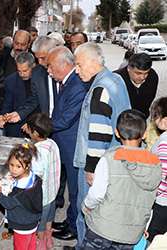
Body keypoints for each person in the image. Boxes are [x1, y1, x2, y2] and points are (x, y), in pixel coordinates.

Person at [73, 42, 131, 247]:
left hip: (99, 164)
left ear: (92, 61)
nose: (76, 70)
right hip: (117, 160)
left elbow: (100, 133)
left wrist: (91, 169)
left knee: (86, 212)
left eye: (79, 65)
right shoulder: (116, 79)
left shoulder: (100, 90)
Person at [81, 109, 162, 249]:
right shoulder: (155, 162)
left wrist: (87, 206)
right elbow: (151, 200)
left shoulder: (109, 159)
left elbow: (97, 193)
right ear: (144, 134)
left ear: (117, 132)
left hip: (103, 229)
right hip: (131, 234)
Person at [47, 46, 88, 241]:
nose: (48, 71)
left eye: (50, 66)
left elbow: (65, 120)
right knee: (71, 187)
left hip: (72, 148)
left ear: (63, 65)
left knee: (75, 190)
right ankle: (69, 220)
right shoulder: (68, 81)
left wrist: (40, 126)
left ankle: (74, 227)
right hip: (64, 145)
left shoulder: (77, 84)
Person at [0, 143, 43, 250]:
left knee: (20, 247)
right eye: (11, 165)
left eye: (18, 166)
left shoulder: (20, 191)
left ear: (27, 166)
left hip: (22, 225)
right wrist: (16, 177)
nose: (14, 169)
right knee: (31, 245)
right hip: (33, 221)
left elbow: (8, 204)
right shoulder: (34, 177)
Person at [23, 113, 60, 249]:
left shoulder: (38, 152)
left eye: (29, 129)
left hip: (42, 197)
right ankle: (49, 239)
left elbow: (36, 176)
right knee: (49, 218)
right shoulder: (52, 143)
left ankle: (42, 243)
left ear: (36, 133)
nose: (27, 131)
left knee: (40, 225)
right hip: (52, 192)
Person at [4, 37, 57, 124]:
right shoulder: (37, 73)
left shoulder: (64, 72)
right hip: (46, 124)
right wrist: (19, 114)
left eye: (43, 58)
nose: (40, 62)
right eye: (38, 58)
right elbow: (35, 99)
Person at [1, 52, 35, 137]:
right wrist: (4, 117)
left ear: (33, 66)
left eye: (25, 71)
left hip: (36, 123)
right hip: (16, 124)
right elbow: (7, 104)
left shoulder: (41, 79)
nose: (22, 74)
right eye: (19, 71)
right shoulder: (10, 81)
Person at [114, 53, 158, 118]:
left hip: (141, 119)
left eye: (146, 73)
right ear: (129, 68)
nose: (142, 77)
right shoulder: (115, 79)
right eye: (138, 73)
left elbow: (149, 100)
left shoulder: (152, 77)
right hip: (120, 121)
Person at [148, 97, 167, 242]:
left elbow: (163, 173)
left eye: (155, 118)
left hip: (162, 202)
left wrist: (153, 195)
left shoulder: (165, 141)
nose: (153, 121)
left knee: (152, 238)